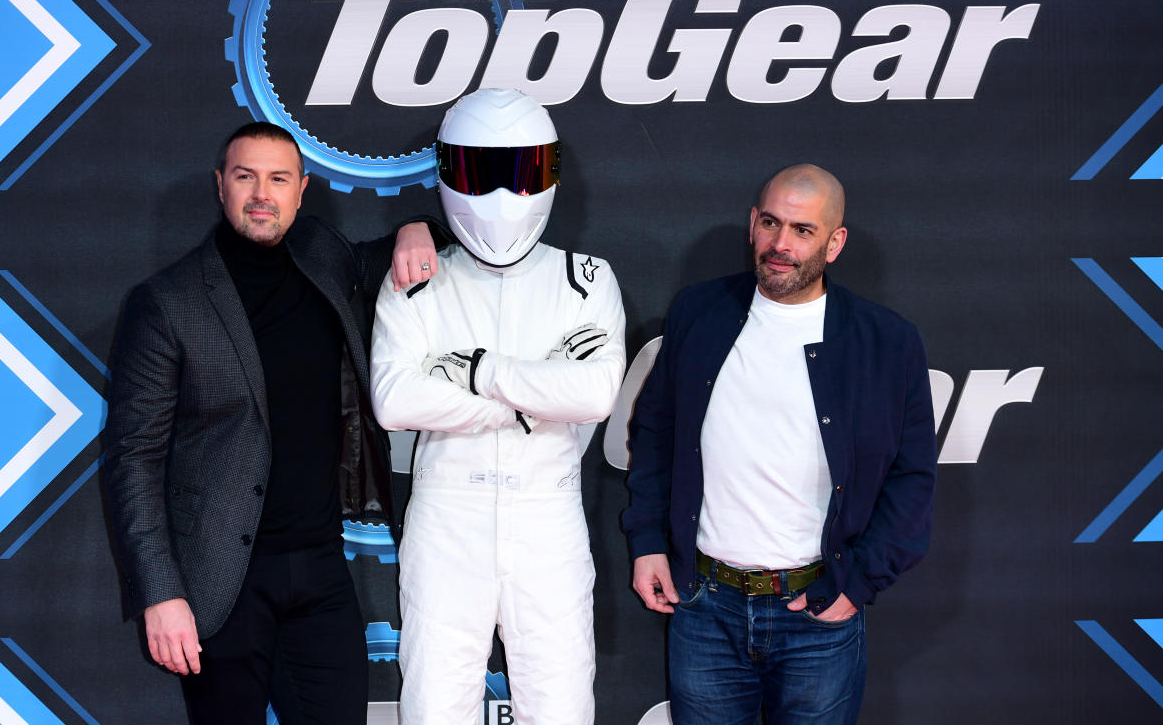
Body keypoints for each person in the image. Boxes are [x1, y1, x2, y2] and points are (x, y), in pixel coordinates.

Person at [102, 121, 442, 725]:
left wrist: (420, 227)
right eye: (246, 177)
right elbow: (133, 459)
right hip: (220, 583)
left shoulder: (322, 255)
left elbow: (390, 254)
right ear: (221, 186)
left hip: (320, 572)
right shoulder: (167, 302)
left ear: (301, 190)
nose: (263, 193)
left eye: (278, 179)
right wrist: (160, 593)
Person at [622, 164, 937, 725]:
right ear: (752, 223)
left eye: (803, 230)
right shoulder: (700, 312)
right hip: (704, 608)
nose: (780, 245)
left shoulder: (887, 343)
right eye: (770, 223)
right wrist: (647, 541)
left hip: (818, 612)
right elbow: (656, 433)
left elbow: (911, 478)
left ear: (835, 243)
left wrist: (857, 583)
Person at [370, 88, 626, 725]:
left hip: (548, 513)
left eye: (522, 174)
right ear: (451, 173)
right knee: (433, 702)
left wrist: (475, 371)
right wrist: (529, 398)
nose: (505, 197)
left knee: (562, 702)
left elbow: (594, 394)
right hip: (447, 514)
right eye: (484, 174)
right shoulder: (416, 275)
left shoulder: (585, 278)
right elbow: (395, 400)